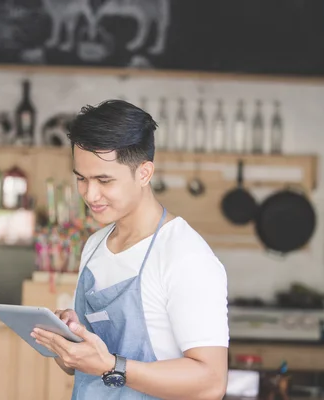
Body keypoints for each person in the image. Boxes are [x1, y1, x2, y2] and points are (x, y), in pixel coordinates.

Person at [32, 99, 229, 400]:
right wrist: (67, 340)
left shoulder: (185, 256)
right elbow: (80, 368)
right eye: (81, 179)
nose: (90, 194)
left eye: (104, 180)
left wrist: (112, 366)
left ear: (144, 173)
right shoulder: (95, 245)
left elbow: (211, 383)